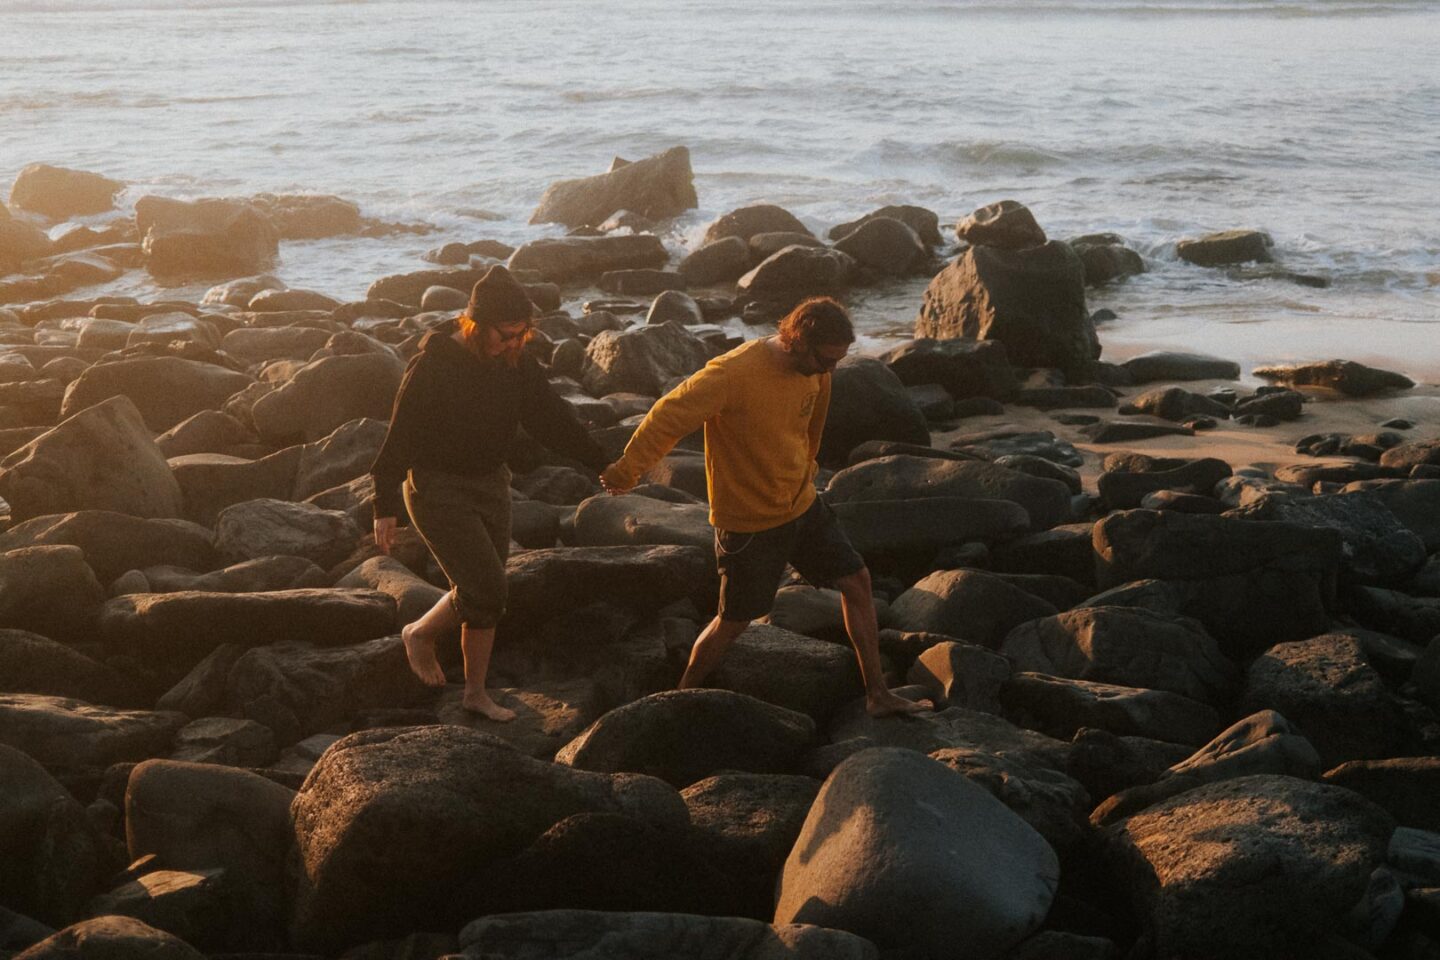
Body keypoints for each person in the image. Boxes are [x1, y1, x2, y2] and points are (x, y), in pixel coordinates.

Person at [600, 296, 931, 718]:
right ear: (795, 340)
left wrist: (809, 464)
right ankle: (680, 697)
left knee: (857, 581)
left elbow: (813, 421)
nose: (830, 369)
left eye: (838, 360)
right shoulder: (733, 374)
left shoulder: (817, 370)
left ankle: (877, 694)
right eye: (825, 360)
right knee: (733, 621)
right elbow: (669, 414)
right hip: (749, 522)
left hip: (802, 504)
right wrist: (627, 470)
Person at [371, 265, 608, 721]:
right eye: (507, 334)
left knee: (486, 595)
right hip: (436, 487)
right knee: (486, 587)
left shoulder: (516, 362)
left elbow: (550, 418)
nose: (516, 343)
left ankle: (472, 691)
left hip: (491, 483)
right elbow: (399, 436)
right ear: (476, 326)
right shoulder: (433, 364)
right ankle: (420, 636)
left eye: (523, 334)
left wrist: (600, 461)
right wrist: (384, 505)